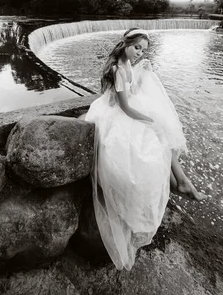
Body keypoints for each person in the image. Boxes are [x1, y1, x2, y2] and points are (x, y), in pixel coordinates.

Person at [84, 27, 206, 270]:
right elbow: (126, 107)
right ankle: (180, 182)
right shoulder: (118, 70)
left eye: (143, 50)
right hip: (113, 115)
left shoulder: (126, 64)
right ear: (125, 43)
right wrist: (148, 121)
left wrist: (142, 70)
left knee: (162, 134)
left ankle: (180, 182)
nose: (139, 53)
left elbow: (132, 86)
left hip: (122, 108)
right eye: (137, 47)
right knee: (157, 134)